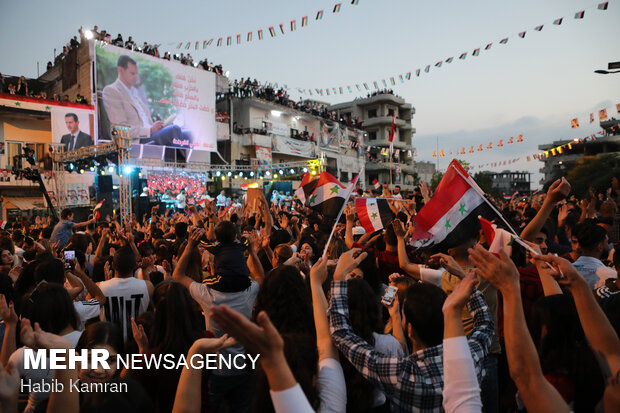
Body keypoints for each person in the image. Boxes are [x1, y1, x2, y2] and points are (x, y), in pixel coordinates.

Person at [101, 55, 191, 147]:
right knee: (174, 130)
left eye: (136, 74)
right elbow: (119, 130)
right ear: (121, 70)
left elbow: (146, 122)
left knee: (188, 134)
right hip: (136, 141)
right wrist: (150, 130)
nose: (136, 78)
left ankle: (185, 161)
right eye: (132, 73)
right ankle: (182, 161)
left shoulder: (134, 93)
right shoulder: (112, 91)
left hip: (150, 135)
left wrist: (156, 126)